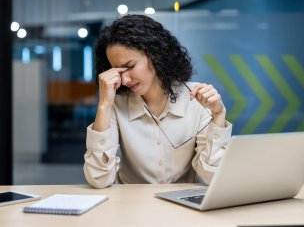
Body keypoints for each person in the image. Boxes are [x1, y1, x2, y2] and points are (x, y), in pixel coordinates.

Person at [83, 14, 232, 188]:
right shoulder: (117, 103)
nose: (124, 80)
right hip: (129, 206)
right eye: (117, 71)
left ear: (155, 55)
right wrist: (103, 105)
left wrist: (219, 116)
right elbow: (98, 179)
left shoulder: (196, 98)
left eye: (129, 66)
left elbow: (213, 177)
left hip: (180, 208)